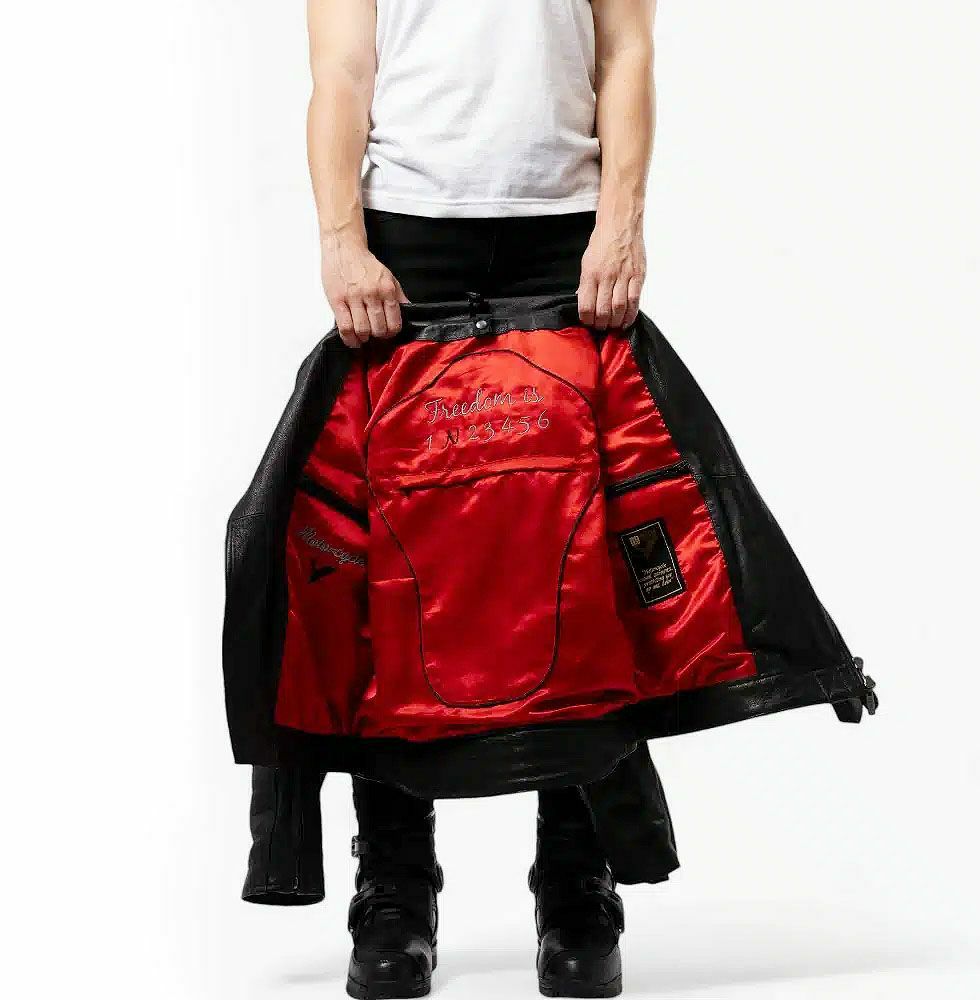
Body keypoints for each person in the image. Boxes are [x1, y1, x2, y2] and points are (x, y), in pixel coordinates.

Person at [307, 1, 654, 996]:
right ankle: (395, 887)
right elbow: (342, 72)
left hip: (563, 237)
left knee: (578, 560)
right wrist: (341, 240)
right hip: (408, 240)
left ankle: (576, 880)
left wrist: (620, 223)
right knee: (388, 568)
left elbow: (627, 47)